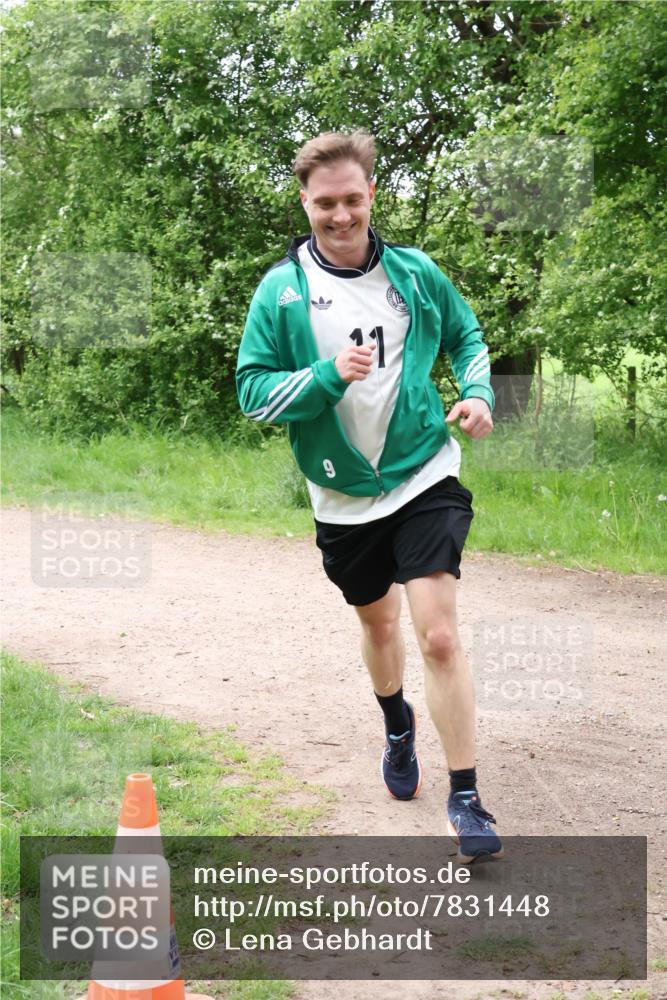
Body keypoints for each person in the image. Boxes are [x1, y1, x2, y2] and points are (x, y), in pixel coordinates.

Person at [236, 130, 502, 863]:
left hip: (423, 471)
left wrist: (475, 392)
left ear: (372, 195)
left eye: (352, 199)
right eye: (326, 203)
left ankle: (466, 796)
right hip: (343, 497)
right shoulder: (282, 291)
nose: (341, 215)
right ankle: (395, 722)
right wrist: (324, 375)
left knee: (438, 633)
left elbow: (465, 335)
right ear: (305, 202)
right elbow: (252, 394)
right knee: (379, 628)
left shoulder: (413, 275)